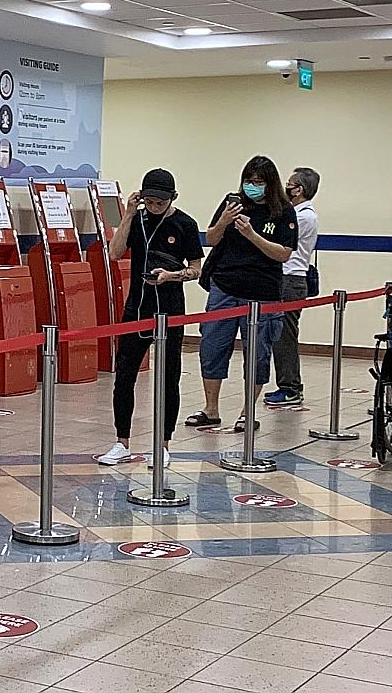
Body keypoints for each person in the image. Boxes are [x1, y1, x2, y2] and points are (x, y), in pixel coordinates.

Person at [95, 169, 203, 469]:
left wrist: (172, 275)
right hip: (137, 308)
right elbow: (114, 253)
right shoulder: (138, 220)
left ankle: (163, 445)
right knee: (124, 376)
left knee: (169, 379)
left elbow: (196, 269)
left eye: (160, 203)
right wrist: (128, 214)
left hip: (170, 310)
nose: (154, 207)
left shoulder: (185, 224)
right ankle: (121, 442)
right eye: (149, 201)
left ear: (173, 198)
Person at [186, 156, 297, 432]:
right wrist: (224, 220)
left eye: (258, 182)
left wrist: (252, 235)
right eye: (249, 181)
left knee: (257, 353)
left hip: (262, 293)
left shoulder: (283, 211)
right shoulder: (232, 203)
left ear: (270, 184)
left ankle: (248, 411)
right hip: (224, 287)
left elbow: (283, 253)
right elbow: (211, 239)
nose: (252, 186)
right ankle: (211, 408)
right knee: (212, 347)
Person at [266, 167, 320, 407]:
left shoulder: (303, 217)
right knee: (278, 336)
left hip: (291, 280)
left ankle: (290, 388)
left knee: (285, 337)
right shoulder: (294, 213)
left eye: (289, 184)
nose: (285, 188)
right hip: (284, 278)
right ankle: (286, 384)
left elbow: (278, 240)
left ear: (299, 190)